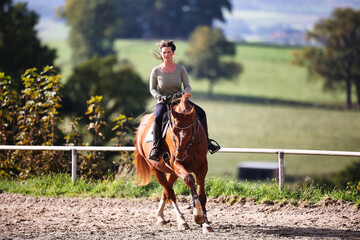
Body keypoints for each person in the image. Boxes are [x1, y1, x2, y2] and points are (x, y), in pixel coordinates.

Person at [148, 40, 220, 161]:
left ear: (173, 53)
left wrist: (183, 94)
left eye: (169, 52)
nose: (166, 54)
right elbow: (152, 89)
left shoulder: (180, 69)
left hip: (180, 101)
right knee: (158, 117)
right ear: (161, 53)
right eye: (164, 52)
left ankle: (207, 142)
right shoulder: (155, 71)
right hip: (163, 101)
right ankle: (156, 147)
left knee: (201, 112)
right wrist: (160, 97)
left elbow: (188, 86)